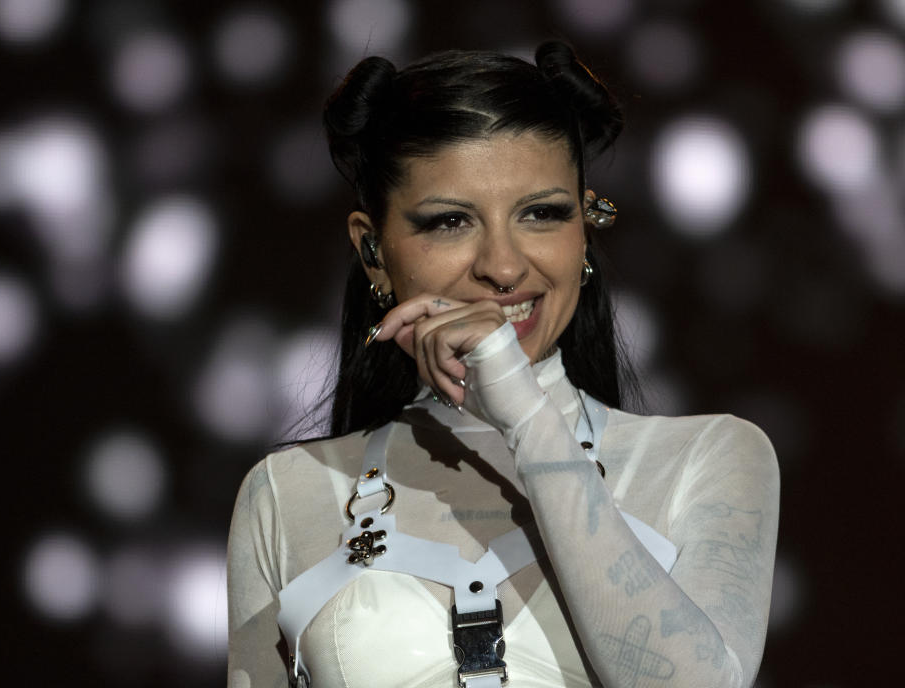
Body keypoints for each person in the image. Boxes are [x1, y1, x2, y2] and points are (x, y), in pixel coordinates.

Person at [227, 41, 779, 688]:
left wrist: (523, 413)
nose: (505, 266)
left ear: (584, 231)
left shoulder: (709, 460)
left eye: (541, 214)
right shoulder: (284, 494)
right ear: (373, 251)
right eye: (450, 222)